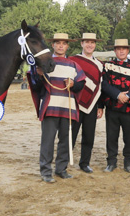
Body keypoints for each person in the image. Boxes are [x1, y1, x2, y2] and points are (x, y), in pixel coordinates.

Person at [28, 33, 86, 183]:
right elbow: (35, 85)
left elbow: (81, 84)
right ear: (52, 45)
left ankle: (61, 169)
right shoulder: (45, 62)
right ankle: (46, 171)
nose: (61, 46)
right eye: (57, 43)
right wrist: (39, 76)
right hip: (50, 107)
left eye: (64, 43)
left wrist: (73, 84)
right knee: (48, 140)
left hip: (68, 107)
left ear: (68, 46)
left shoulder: (74, 65)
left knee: (65, 140)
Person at [101, 39, 130, 173]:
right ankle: (111, 162)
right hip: (112, 106)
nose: (121, 51)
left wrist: (128, 95)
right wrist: (117, 94)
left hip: (129, 107)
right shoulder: (108, 65)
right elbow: (104, 84)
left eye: (124, 49)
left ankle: (128, 162)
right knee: (111, 135)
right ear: (115, 50)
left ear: (128, 50)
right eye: (119, 49)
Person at [68, 33, 104, 174]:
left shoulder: (100, 65)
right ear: (81, 43)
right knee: (71, 134)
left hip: (92, 104)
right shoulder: (73, 60)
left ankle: (85, 163)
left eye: (92, 42)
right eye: (87, 42)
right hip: (75, 103)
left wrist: (100, 106)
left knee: (89, 135)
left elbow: (100, 87)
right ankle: (64, 161)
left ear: (95, 45)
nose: (90, 45)